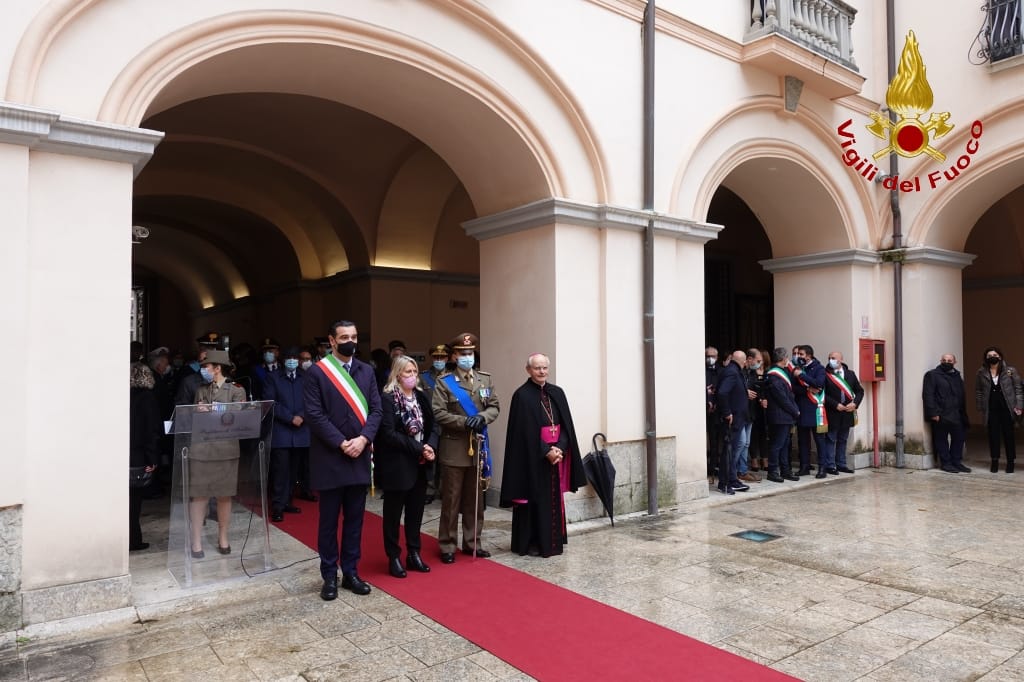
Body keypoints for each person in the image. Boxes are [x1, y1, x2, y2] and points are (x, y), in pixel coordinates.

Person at [305, 320, 383, 599]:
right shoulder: (318, 372)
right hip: (330, 457)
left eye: (354, 336)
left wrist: (363, 440)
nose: (350, 341)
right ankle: (329, 574)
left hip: (359, 455)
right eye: (344, 337)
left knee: (355, 520)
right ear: (332, 340)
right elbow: (314, 415)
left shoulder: (366, 371)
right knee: (328, 521)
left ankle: (350, 571)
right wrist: (341, 442)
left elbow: (376, 410)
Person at [500, 354, 588, 557]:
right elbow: (522, 432)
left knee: (554, 500)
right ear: (528, 370)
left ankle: (554, 540)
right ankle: (533, 543)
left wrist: (560, 447)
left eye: (544, 368)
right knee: (534, 501)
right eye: (537, 368)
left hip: (556, 455)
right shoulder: (521, 395)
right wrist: (546, 451)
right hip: (532, 458)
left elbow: (567, 426)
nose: (541, 372)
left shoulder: (557, 392)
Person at [432, 332, 500, 563]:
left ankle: (473, 542)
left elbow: (494, 406)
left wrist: (481, 417)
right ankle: (447, 545)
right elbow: (439, 413)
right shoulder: (444, 382)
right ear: (454, 355)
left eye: (470, 353)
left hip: (478, 447)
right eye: (463, 353)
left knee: (475, 500)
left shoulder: (485, 379)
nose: (467, 357)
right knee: (451, 500)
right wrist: (464, 422)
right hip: (454, 448)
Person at [374, 355, 439, 578]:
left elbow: (434, 425)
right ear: (397, 374)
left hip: (421, 463)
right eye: (407, 372)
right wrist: (418, 448)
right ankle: (393, 556)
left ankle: (414, 553)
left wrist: (430, 445)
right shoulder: (389, 398)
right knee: (393, 514)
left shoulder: (421, 397)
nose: (411, 376)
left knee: (416, 512)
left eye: (414, 372)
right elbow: (388, 434)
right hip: (398, 464)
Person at [189, 349, 247, 558]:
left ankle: (223, 536)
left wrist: (213, 410)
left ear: (217, 368)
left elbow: (238, 416)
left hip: (226, 449)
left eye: (206, 366)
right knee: (199, 496)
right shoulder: (201, 389)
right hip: (202, 449)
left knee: (224, 495)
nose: (203, 369)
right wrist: (199, 412)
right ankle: (196, 540)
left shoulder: (236, 390)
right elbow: (194, 415)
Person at [263, 346, 310, 521]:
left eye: (295, 358)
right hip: (281, 431)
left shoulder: (305, 377)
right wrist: (290, 417)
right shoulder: (273, 378)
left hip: (300, 431)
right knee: (280, 470)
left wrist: (302, 416)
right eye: (289, 358)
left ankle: (288, 501)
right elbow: (271, 402)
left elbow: (312, 399)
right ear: (283, 360)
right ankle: (277, 506)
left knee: (294, 470)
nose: (292, 361)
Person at [975, 346, 1023, 473]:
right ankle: (994, 461)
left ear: (1000, 357)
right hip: (991, 409)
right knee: (993, 436)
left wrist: (1019, 406)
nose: (992, 357)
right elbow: (979, 391)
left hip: (1007, 408)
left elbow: (1018, 389)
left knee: (1009, 436)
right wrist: (980, 406)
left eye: (995, 355)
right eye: (989, 355)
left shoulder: (1010, 371)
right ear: (986, 358)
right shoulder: (981, 372)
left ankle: (1010, 462)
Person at [129, 361, 161, 550]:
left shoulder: (125, 396)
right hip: (139, 456)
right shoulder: (147, 398)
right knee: (134, 501)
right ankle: (134, 540)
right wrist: (153, 459)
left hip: (125, 453)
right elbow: (151, 431)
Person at [923, 354, 971, 473]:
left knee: (959, 438)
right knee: (941, 439)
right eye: (944, 360)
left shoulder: (957, 376)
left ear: (955, 362)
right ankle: (946, 463)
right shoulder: (932, 375)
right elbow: (928, 395)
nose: (946, 362)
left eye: (949, 360)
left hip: (957, 414)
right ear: (940, 361)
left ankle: (956, 462)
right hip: (941, 414)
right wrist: (933, 413)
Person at [792, 344, 834, 478]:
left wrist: (802, 376)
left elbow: (819, 384)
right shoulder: (798, 369)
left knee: (819, 441)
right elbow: (792, 388)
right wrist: (806, 389)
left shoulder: (819, 368)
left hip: (816, 411)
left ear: (808, 356)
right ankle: (804, 466)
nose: (798, 357)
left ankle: (822, 468)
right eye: (797, 354)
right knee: (803, 441)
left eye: (801, 355)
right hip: (802, 409)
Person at [714, 350, 751, 494]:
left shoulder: (733, 370)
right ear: (742, 361)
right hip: (732, 418)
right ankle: (726, 481)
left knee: (738, 445)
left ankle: (732, 478)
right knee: (729, 451)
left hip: (738, 417)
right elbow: (723, 392)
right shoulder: (732, 372)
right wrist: (727, 412)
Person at [824, 351, 864, 474]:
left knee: (843, 439)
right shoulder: (826, 375)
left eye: (834, 358)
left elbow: (859, 391)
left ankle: (841, 464)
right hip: (833, 411)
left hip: (847, 412)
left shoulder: (850, 374)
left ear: (841, 360)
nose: (831, 360)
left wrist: (855, 404)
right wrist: (835, 404)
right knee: (831, 439)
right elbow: (823, 394)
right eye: (830, 358)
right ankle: (830, 465)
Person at [764, 347, 801, 483]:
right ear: (783, 358)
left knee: (785, 445)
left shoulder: (783, 372)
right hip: (779, 416)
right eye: (787, 358)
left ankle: (785, 470)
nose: (788, 360)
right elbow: (782, 398)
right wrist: (795, 410)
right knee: (777, 444)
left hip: (786, 416)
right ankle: (773, 471)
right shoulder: (773, 375)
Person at [705, 346, 721, 479]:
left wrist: (714, 402)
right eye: (707, 356)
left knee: (715, 439)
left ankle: (713, 466)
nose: (710, 359)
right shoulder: (700, 370)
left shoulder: (720, 371)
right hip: (702, 411)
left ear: (717, 357)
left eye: (713, 356)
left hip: (715, 411)